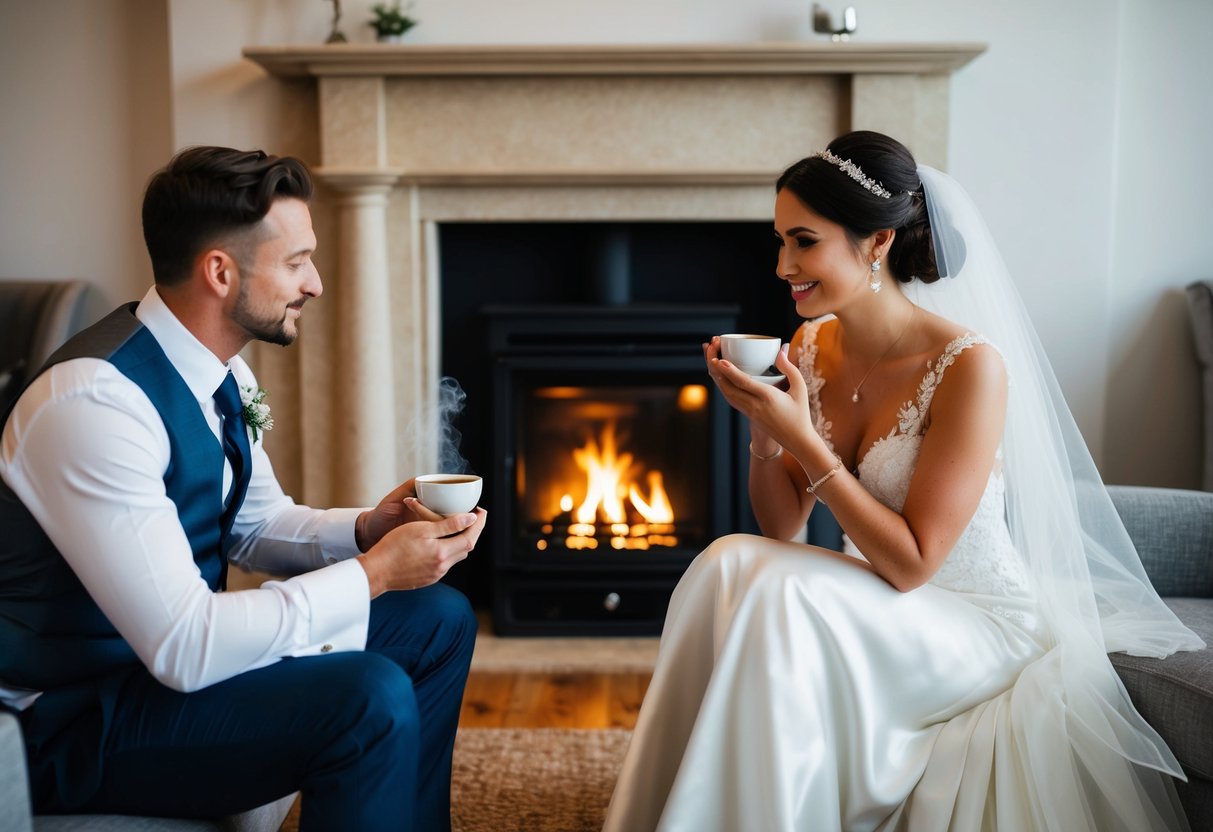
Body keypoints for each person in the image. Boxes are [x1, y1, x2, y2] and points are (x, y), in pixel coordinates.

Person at [603, 131, 1205, 831]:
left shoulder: (969, 366)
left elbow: (915, 563)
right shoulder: (809, 345)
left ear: (877, 243)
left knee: (768, 584)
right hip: (872, 605)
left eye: (803, 242)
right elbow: (780, 526)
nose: (781, 265)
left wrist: (802, 436)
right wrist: (763, 432)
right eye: (779, 241)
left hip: (973, 624)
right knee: (725, 562)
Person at [0, 146, 487, 831]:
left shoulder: (222, 374)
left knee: (436, 620)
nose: (315, 283)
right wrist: (373, 574)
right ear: (221, 272)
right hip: (65, 723)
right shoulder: (92, 404)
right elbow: (184, 645)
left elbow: (257, 525)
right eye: (296, 262)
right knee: (363, 696)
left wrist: (366, 531)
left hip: (151, 684)